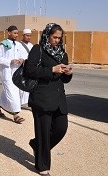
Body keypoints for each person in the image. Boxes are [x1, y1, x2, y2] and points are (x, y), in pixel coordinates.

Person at [25, 23, 73, 175]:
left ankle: (37, 145)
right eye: (54, 37)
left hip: (59, 99)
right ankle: (42, 166)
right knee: (44, 133)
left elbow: (64, 80)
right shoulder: (37, 50)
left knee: (61, 129)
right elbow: (30, 70)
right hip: (42, 98)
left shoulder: (62, 53)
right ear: (47, 35)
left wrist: (68, 73)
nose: (57, 40)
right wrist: (51, 69)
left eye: (59, 38)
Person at [0, 25, 28, 124]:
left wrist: (22, 59)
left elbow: (24, 55)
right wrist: (10, 61)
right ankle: (15, 115)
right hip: (7, 73)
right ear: (9, 33)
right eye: (14, 33)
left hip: (16, 73)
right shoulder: (3, 44)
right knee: (12, 94)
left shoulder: (18, 44)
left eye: (17, 33)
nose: (16, 35)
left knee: (7, 93)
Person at [19, 28, 34, 105]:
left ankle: (25, 102)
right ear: (23, 35)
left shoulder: (31, 45)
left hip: (29, 68)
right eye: (27, 35)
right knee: (20, 85)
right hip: (21, 67)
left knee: (28, 84)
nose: (29, 37)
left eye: (30, 36)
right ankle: (19, 102)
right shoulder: (18, 45)